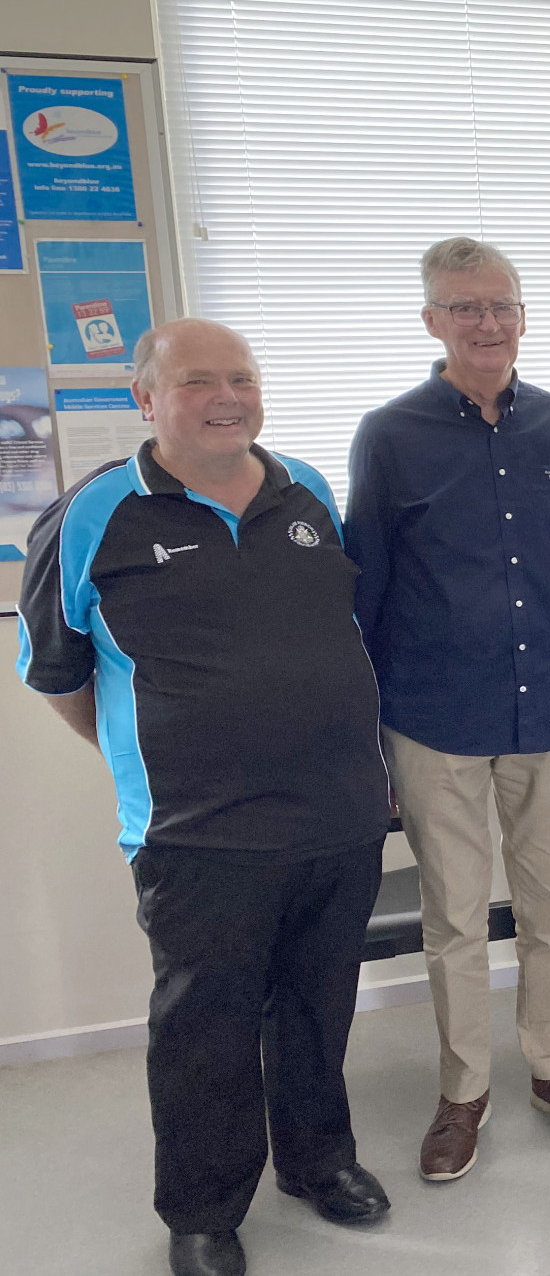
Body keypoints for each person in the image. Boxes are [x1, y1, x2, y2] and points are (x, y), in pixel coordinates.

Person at [17, 320, 391, 1276]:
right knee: (205, 1026)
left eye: (242, 377)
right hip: (196, 832)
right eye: (197, 381)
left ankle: (319, 1160)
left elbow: (338, 628)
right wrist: (157, 758)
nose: (227, 396)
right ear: (145, 398)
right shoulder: (94, 513)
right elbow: (57, 674)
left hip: (337, 812)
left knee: (317, 1005)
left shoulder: (306, 488)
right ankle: (203, 1209)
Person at [347, 237, 550, 1182]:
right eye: (465, 308)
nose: (487, 323)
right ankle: (464, 1091)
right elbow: (367, 592)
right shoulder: (389, 435)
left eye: (501, 305)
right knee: (454, 917)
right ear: (432, 321)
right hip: (435, 718)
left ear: (523, 316)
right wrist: (375, 740)